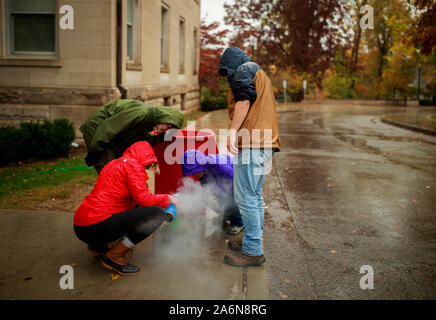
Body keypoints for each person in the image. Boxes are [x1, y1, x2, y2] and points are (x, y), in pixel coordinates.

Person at [73, 141, 178, 276]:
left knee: (135, 209)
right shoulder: (132, 165)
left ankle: (97, 246)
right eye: (147, 165)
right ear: (144, 156)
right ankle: (115, 256)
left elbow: (127, 201)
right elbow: (145, 200)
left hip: (81, 226)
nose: (146, 168)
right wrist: (169, 199)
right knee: (156, 214)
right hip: (97, 225)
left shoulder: (113, 164)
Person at [218, 46, 280, 267]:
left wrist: (232, 132)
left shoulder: (243, 69)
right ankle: (251, 243)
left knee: (245, 198)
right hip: (265, 143)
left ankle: (252, 251)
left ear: (231, 64)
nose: (228, 78)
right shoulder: (258, 72)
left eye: (227, 72)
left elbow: (243, 101)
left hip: (253, 143)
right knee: (255, 196)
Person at [80, 99, 184, 173]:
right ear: (165, 116)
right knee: (111, 173)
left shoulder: (149, 121)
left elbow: (137, 141)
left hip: (112, 138)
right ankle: (110, 202)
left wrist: (157, 139)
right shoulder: (140, 113)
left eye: (172, 130)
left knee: (121, 171)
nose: (167, 131)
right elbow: (107, 130)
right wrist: (94, 153)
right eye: (169, 125)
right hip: (97, 131)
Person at [181, 149, 244, 235]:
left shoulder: (219, 166)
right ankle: (226, 215)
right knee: (209, 199)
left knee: (229, 200)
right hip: (223, 182)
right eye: (192, 172)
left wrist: (227, 197)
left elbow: (234, 181)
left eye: (196, 170)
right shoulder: (202, 169)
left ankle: (238, 222)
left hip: (238, 180)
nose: (195, 174)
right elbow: (205, 184)